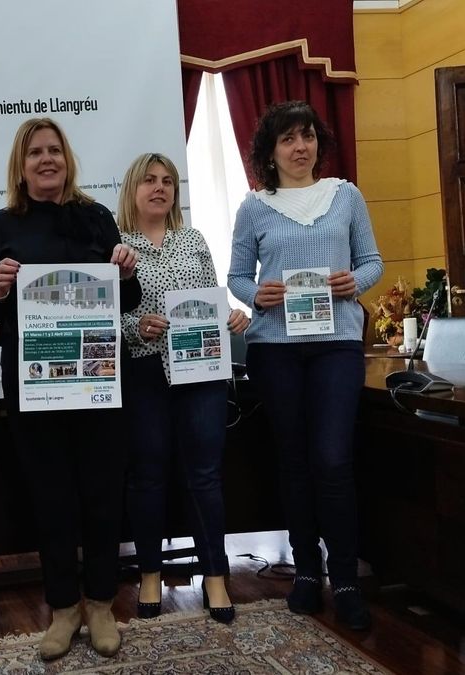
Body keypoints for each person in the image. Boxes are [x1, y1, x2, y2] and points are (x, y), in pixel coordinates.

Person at [0, 118, 140, 660]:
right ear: (20, 168)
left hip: (96, 377)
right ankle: (64, 609)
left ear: (66, 160)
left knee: (101, 494)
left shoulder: (96, 218)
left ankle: (100, 604)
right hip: (35, 384)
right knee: (52, 497)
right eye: (36, 153)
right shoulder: (0, 224)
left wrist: (127, 271)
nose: (47, 160)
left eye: (55, 151)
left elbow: (127, 302)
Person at [227, 101, 383, 631]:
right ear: (270, 153)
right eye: (288, 140)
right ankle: (305, 574)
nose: (301, 147)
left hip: (337, 343)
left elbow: (373, 262)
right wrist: (260, 295)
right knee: (293, 461)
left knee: (333, 459)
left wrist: (353, 283)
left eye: (308, 136)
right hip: (275, 349)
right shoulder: (254, 206)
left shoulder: (345, 195)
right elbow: (237, 278)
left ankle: (345, 578)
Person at [116, 153, 249, 624]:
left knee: (206, 475)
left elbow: (211, 299)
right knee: (147, 475)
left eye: (168, 181)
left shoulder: (193, 239)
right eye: (149, 180)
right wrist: (137, 326)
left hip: (202, 373)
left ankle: (215, 574)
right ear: (133, 189)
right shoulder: (117, 246)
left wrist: (233, 316)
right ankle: (149, 572)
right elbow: (106, 318)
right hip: (144, 371)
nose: (159, 188)